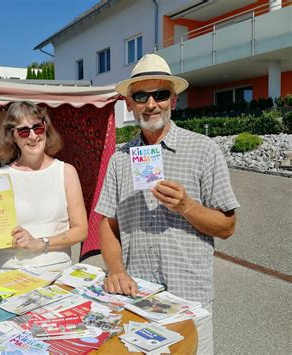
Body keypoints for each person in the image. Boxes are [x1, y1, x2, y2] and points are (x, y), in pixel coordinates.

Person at [95, 53, 240, 354]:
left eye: (160, 94)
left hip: (189, 298)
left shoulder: (204, 150)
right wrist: (116, 270)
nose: (151, 104)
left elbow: (227, 226)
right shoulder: (119, 159)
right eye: (141, 96)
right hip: (138, 298)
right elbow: (107, 224)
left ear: (173, 100)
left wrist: (186, 206)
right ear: (129, 104)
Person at [0, 101, 88, 276]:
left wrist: (41, 243)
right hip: (7, 273)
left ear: (45, 129)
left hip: (54, 275)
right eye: (24, 131)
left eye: (38, 128)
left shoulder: (66, 172)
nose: (33, 136)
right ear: (12, 136)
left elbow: (81, 230)